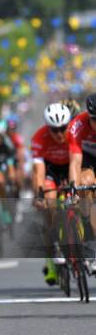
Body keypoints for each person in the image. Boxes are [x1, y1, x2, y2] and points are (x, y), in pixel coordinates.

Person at [31, 103, 72, 284]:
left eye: (63, 128)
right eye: (55, 130)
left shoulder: (75, 134)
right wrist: (39, 194)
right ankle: (54, 247)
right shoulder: (39, 137)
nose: (60, 133)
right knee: (50, 202)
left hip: (71, 168)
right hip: (51, 171)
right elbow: (38, 171)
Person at [66, 94, 96, 272]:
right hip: (88, 161)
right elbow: (75, 162)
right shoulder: (77, 125)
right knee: (86, 182)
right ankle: (89, 233)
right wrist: (74, 192)